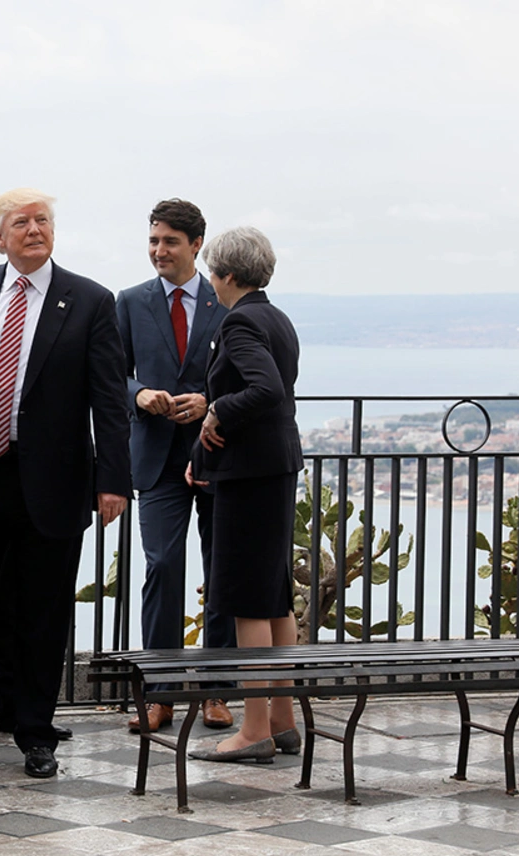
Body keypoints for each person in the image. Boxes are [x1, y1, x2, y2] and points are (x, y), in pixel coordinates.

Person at [0, 189, 130, 778]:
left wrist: (113, 478)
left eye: (43, 221)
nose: (34, 230)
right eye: (22, 222)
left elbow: (109, 400)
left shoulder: (89, 301)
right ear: (0, 235)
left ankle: (35, 733)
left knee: (42, 615)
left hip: (54, 483)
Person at [114, 199, 236, 735]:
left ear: (195, 246)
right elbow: (111, 374)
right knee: (162, 566)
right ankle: (159, 692)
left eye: (169, 242)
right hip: (156, 458)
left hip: (216, 453)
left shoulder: (224, 300)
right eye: (153, 240)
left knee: (222, 570)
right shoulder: (130, 302)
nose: (158, 251)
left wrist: (207, 400)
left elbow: (241, 375)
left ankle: (216, 691)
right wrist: (140, 396)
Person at [184, 226, 304, 764]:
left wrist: (216, 410)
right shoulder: (276, 317)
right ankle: (282, 717)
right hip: (274, 469)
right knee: (274, 596)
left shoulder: (239, 321)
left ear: (227, 276)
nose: (210, 280)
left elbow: (264, 389)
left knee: (246, 599)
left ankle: (253, 727)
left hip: (249, 477)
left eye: (211, 271)